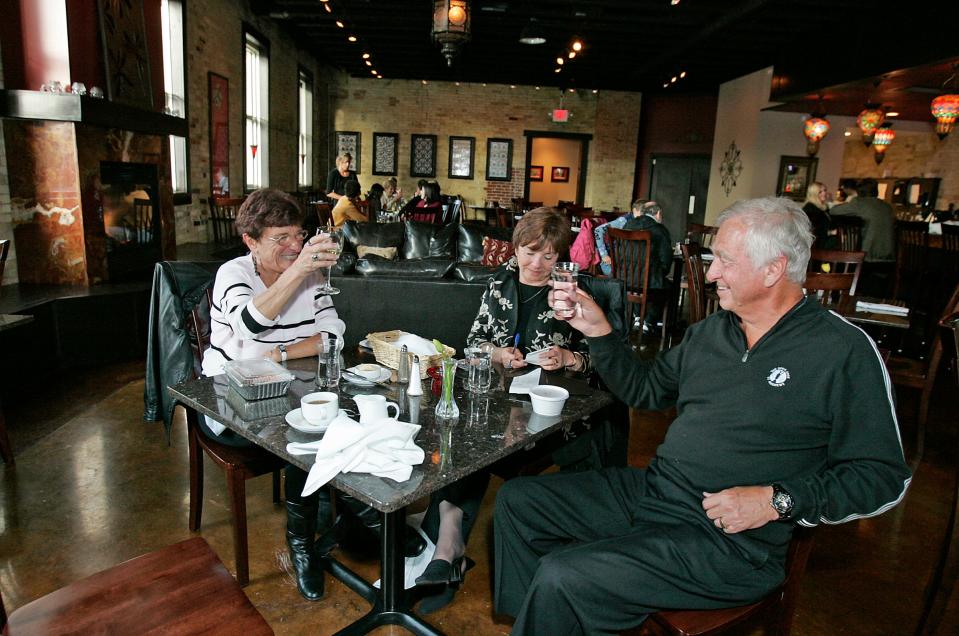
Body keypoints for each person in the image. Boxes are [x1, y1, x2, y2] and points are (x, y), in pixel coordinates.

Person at [494, 197, 911, 634]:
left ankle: (552, 614)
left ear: (773, 269)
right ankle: (542, 622)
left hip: (731, 542)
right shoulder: (712, 332)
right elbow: (646, 389)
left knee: (565, 574)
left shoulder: (841, 351)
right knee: (518, 503)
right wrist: (599, 330)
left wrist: (777, 499)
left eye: (725, 262)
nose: (710, 275)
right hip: (661, 494)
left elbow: (884, 477)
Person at [414, 208, 623, 614]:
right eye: (530, 252)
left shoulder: (573, 294)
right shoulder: (498, 283)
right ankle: (446, 543)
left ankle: (447, 548)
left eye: (548, 256)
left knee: (479, 442)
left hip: (555, 414)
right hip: (500, 400)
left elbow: (603, 360)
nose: (537, 264)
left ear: (561, 258)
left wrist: (568, 357)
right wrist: (498, 353)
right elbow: (475, 340)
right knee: (459, 435)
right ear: (516, 248)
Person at [200, 188, 345, 602]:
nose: (294, 245)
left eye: (298, 235)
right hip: (228, 397)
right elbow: (249, 327)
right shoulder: (234, 274)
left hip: (293, 386)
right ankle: (302, 545)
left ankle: (357, 518)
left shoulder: (310, 275)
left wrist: (280, 352)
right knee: (304, 431)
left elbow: (334, 333)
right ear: (250, 240)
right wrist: (298, 271)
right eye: (280, 238)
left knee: (345, 415)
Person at [830, 179, 896, 295]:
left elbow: (834, 211)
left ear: (859, 192)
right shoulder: (887, 207)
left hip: (867, 257)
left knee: (840, 258)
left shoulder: (859, 203)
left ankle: (841, 296)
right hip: (889, 257)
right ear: (876, 191)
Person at [594, 199, 654, 276]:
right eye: (642, 211)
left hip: (629, 264)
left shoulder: (646, 222)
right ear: (634, 210)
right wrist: (604, 255)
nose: (643, 215)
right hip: (613, 264)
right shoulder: (623, 221)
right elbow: (598, 230)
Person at [802, 181, 833, 247]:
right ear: (814, 194)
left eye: (825, 190)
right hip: (816, 244)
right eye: (820, 192)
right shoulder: (810, 208)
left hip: (824, 241)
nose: (824, 193)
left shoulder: (823, 207)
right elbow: (812, 230)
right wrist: (830, 232)